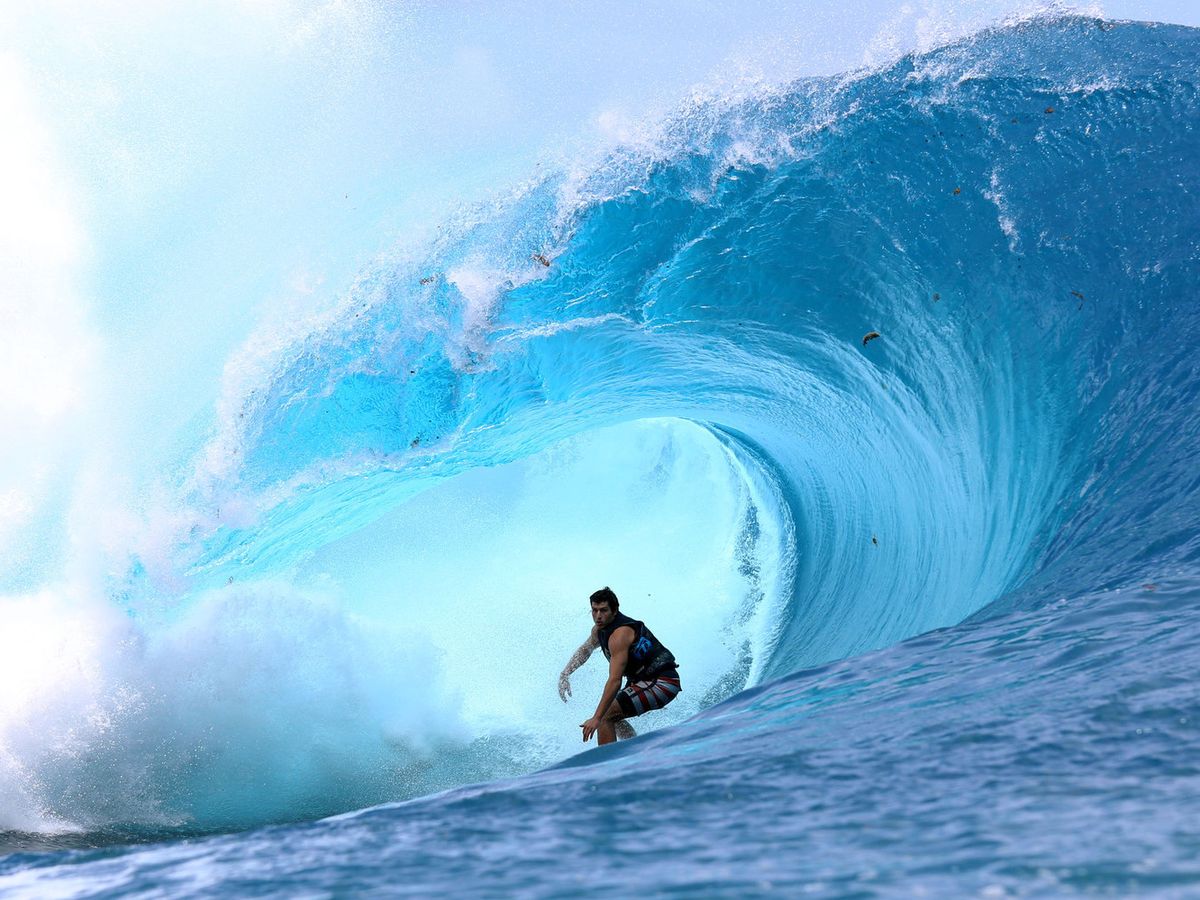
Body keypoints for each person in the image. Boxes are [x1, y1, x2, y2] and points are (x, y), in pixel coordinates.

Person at [557, 586, 681, 745]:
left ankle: (609, 766)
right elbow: (585, 650)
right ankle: (634, 752)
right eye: (594, 610)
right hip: (645, 682)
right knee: (611, 715)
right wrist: (565, 673)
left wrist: (596, 718)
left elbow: (615, 680)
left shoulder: (620, 634)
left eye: (603, 610)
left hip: (662, 682)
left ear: (615, 611)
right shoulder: (599, 630)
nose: (598, 616)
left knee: (604, 715)